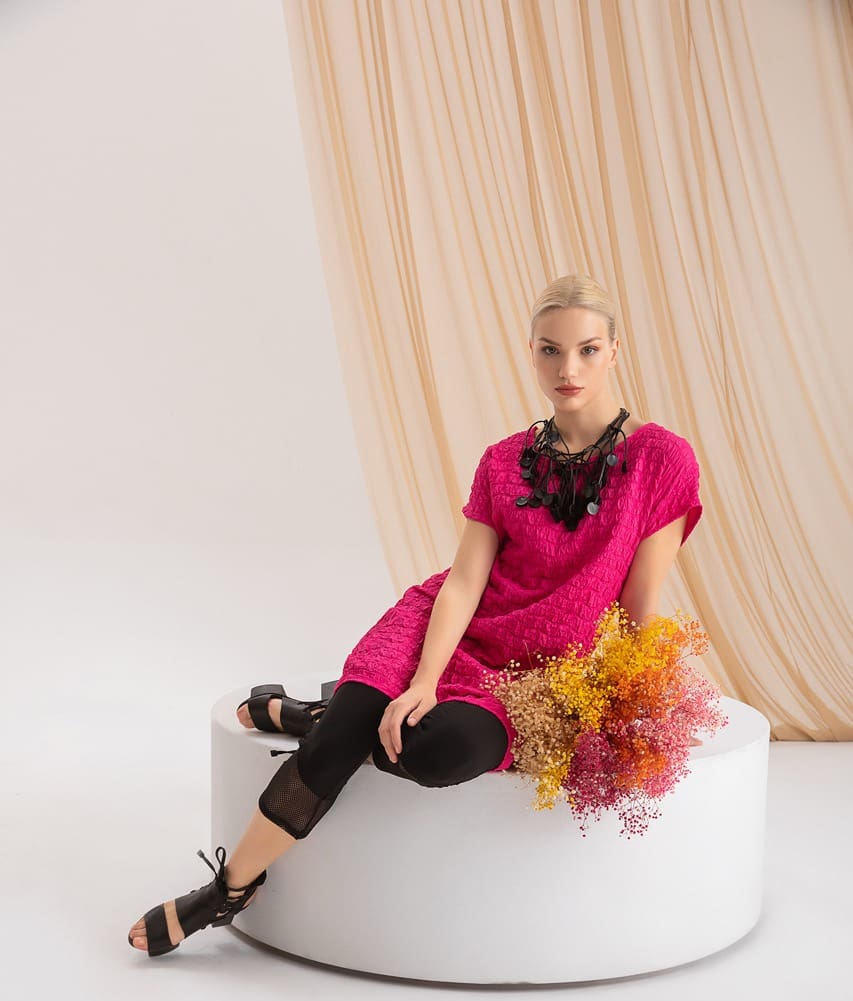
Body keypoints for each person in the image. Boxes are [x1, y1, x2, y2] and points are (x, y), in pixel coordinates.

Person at [127, 272, 703, 956]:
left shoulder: (661, 460)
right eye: (550, 350)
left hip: (533, 676)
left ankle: (326, 713)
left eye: (586, 350)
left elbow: (639, 606)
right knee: (347, 738)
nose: (567, 370)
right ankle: (227, 890)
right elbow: (463, 582)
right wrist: (425, 679)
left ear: (614, 350)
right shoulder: (503, 462)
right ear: (530, 352)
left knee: (439, 751)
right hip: (444, 627)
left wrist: (639, 700)